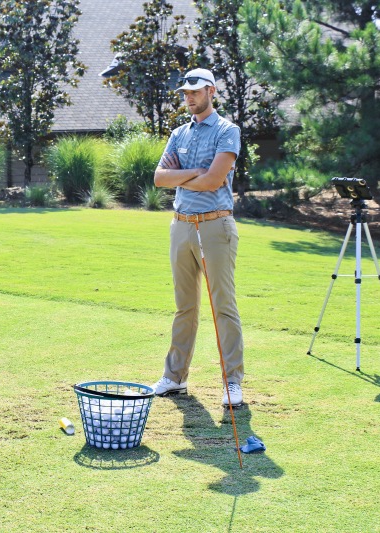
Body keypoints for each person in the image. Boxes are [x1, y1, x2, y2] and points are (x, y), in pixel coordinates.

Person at [151, 68, 245, 407]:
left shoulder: (227, 130)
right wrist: (194, 173)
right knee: (184, 306)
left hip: (215, 226)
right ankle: (174, 378)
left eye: (196, 91)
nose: (189, 97)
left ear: (211, 92)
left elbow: (214, 180)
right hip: (181, 226)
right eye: (186, 92)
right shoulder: (178, 134)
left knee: (223, 305)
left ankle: (232, 382)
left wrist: (185, 177)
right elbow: (160, 178)